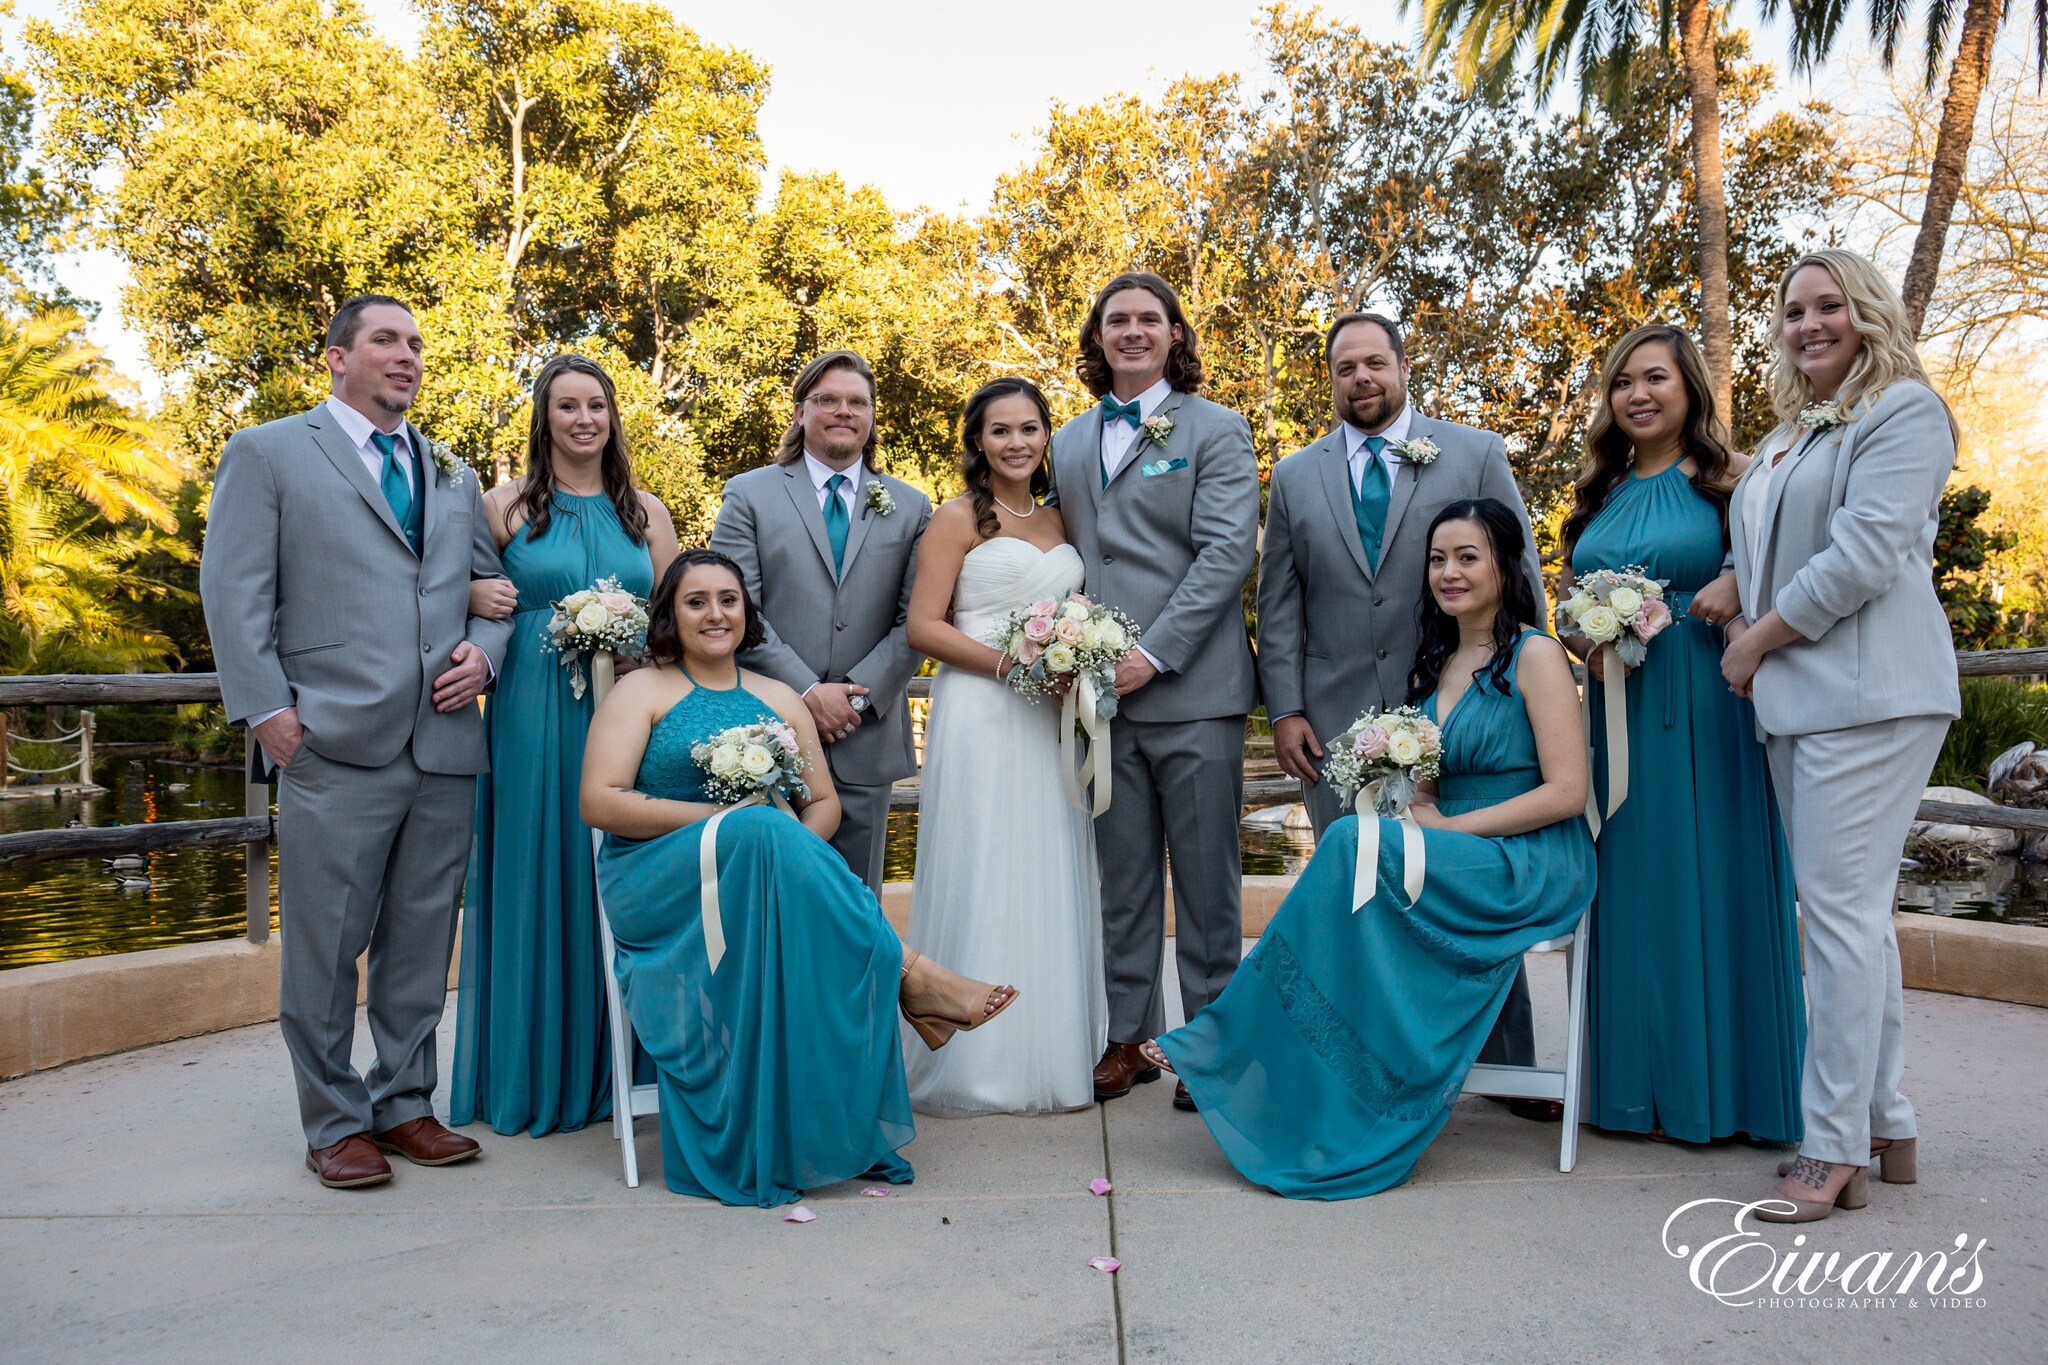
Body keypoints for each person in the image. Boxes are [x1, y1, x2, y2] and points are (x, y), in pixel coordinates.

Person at [1143, 499, 1595, 1198]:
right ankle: (1320, 1076)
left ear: (1506, 565)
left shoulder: (1534, 654)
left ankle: (1230, 1035)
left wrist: (1443, 828)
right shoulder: (1442, 658)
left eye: (1467, 557)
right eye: (1439, 558)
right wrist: (1411, 797)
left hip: (1530, 856)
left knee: (1351, 839)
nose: (1448, 571)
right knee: (1355, 849)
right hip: (1453, 845)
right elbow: (1429, 788)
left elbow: (1567, 791)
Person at [580, 549, 1018, 1206]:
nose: (715, 612)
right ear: (670, 613)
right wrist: (724, 821)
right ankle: (914, 975)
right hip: (661, 883)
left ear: (746, 612)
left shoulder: (778, 695)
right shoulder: (640, 689)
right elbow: (600, 800)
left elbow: (823, 804)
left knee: (768, 831)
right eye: (695, 600)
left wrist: (776, 853)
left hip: (759, 884)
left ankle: (907, 984)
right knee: (757, 826)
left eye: (728, 598)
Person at [200, 295, 514, 1189]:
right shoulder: (268, 452)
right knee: (325, 944)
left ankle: (406, 1102)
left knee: (420, 939)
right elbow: (234, 593)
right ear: (337, 356)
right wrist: (269, 714)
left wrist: (484, 662)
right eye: (386, 340)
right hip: (330, 739)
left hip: (445, 743)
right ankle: (334, 1120)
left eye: (416, 343)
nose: (407, 356)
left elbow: (494, 593)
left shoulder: (451, 472)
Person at [1256, 311, 1551, 1109]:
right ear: (1331, 377)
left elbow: (1520, 578)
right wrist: (1285, 707)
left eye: (1375, 363)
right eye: (1346, 366)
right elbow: (1278, 603)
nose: (1362, 378)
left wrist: (1532, 686)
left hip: (1459, 714)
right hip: (1336, 726)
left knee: (1465, 892)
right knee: (1357, 900)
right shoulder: (1294, 475)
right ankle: (1367, 1070)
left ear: (1403, 365)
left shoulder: (1475, 452)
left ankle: (1512, 1067)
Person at [1726, 249, 1959, 1222]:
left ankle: (1829, 1150)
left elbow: (1861, 555)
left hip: (1867, 696)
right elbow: (1771, 549)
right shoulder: (1791, 433)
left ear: (1865, 312)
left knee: (1835, 925)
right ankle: (1886, 1123)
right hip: (1803, 703)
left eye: (1828, 306)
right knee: (1851, 918)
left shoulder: (1902, 411)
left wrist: (1753, 643)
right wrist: (1730, 593)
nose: (1808, 323)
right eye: (1791, 311)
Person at [1560, 324, 1803, 1146]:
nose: (1638, 394)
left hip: (1709, 700)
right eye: (1623, 381)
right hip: (1616, 711)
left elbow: (1786, 559)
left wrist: (1736, 577)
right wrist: (1583, 632)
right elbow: (1568, 596)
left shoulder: (1736, 482)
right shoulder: (1603, 490)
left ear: (1690, 388)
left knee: (1714, 874)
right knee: (1633, 883)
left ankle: (1728, 1092)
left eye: (1655, 377)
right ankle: (1631, 1091)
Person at [450, 355, 680, 1138]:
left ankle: (633, 1066)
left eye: (597, 406)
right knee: (534, 870)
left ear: (614, 417)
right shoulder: (503, 505)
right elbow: (451, 596)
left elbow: (676, 617)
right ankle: (537, 1074)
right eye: (567, 406)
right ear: (543, 418)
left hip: (627, 710)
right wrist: (473, 592)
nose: (584, 419)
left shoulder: (645, 511)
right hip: (529, 712)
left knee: (626, 874)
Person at [1047, 272, 1259, 1112]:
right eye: (1116, 320)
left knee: (1208, 883)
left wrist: (1154, 654)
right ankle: (1128, 1037)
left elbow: (1224, 556)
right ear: (1097, 338)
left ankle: (1211, 1044)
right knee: (1121, 875)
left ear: (1176, 335)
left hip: (1193, 690)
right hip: (1096, 702)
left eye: (1148, 319)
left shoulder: (1218, 429)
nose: (1132, 331)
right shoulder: (1065, 441)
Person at [900, 378, 1108, 1115]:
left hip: (1051, 715)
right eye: (1000, 431)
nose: (1016, 442)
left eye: (1029, 428)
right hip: (984, 709)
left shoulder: (1062, 519)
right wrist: (1013, 666)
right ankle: (977, 1058)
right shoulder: (956, 518)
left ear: (1047, 436)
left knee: (1047, 861)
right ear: (977, 441)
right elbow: (923, 626)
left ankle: (1048, 1052)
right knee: (985, 858)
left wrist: (1076, 657)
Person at [709, 350, 932, 896]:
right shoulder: (749, 493)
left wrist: (852, 699)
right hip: (766, 732)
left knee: (860, 905)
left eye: (857, 402)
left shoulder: (911, 506)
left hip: (867, 731)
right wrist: (808, 691)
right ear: (801, 411)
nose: (843, 411)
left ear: (873, 415)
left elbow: (917, 619)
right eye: (827, 399)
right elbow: (735, 610)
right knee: (771, 901)